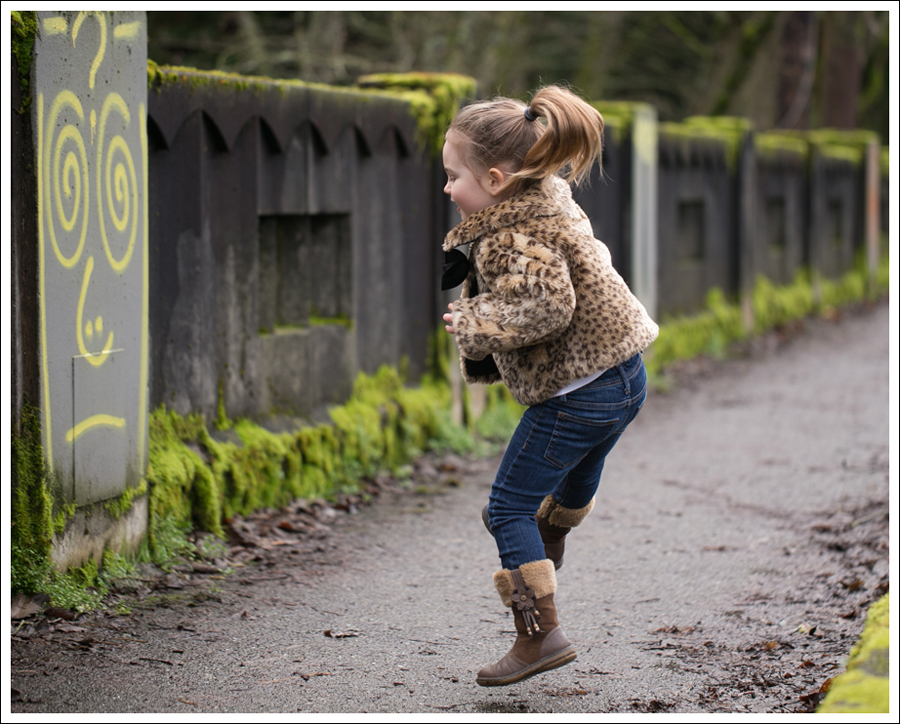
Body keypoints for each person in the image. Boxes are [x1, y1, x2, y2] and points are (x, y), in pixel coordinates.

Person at [440, 85, 659, 687]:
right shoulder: (550, 198)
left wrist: (475, 321)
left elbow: (546, 307)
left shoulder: (511, 236)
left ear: (494, 179)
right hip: (624, 377)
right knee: (580, 465)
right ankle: (551, 535)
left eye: (453, 177)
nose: (447, 189)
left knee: (506, 507)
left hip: (577, 394)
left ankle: (539, 634)